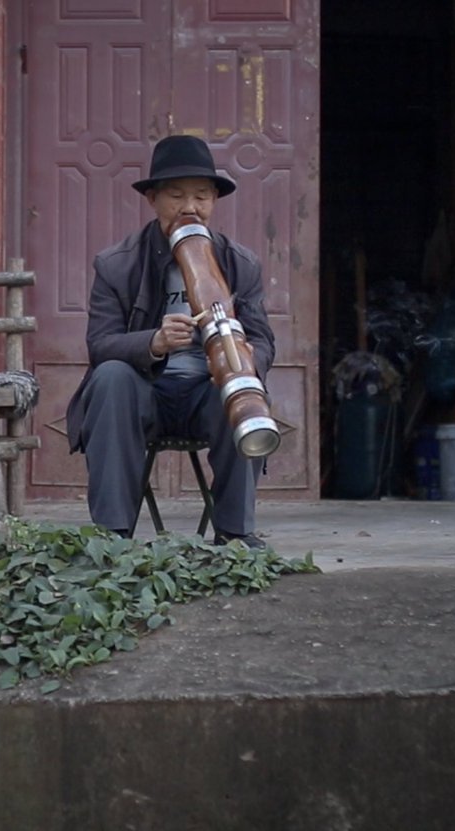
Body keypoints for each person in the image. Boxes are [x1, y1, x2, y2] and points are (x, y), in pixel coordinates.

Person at [64, 135, 275, 547]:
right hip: (147, 393)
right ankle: (112, 535)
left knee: (245, 386)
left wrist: (243, 359)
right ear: (153, 200)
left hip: (206, 394)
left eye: (201, 196)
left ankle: (235, 533)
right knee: (109, 377)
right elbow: (100, 344)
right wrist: (155, 342)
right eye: (176, 196)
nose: (189, 207)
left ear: (214, 201)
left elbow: (264, 339)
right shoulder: (116, 263)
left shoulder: (240, 263)